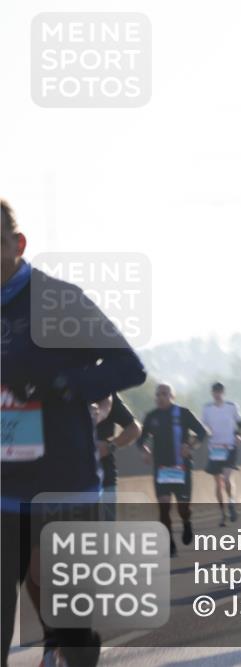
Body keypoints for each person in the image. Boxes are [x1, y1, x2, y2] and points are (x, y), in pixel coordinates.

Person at [1, 199, 147, 666]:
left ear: (18, 245)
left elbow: (129, 366)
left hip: (63, 485)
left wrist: (65, 384)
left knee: (69, 623)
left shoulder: (59, 301)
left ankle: (71, 647)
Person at [140, 384, 209, 556]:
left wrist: (190, 446)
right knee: (164, 507)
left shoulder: (183, 413)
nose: (160, 397)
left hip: (181, 468)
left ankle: (186, 522)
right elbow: (141, 439)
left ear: (172, 396)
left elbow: (202, 432)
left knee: (183, 508)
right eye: (158, 394)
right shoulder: (151, 417)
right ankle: (169, 542)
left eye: (164, 394)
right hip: (161, 469)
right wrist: (145, 449)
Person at [94, 392, 143, 521]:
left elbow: (134, 429)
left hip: (104, 477)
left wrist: (110, 446)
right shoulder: (51, 388)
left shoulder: (104, 391)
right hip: (65, 482)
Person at [202, 382, 241, 526]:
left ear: (223, 392)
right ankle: (222, 514)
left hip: (230, 446)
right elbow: (203, 427)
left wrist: (238, 434)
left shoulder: (231, 406)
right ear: (212, 393)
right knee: (217, 483)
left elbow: (239, 422)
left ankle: (231, 502)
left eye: (219, 391)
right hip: (215, 449)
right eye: (215, 391)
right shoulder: (207, 409)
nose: (217, 394)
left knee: (226, 478)